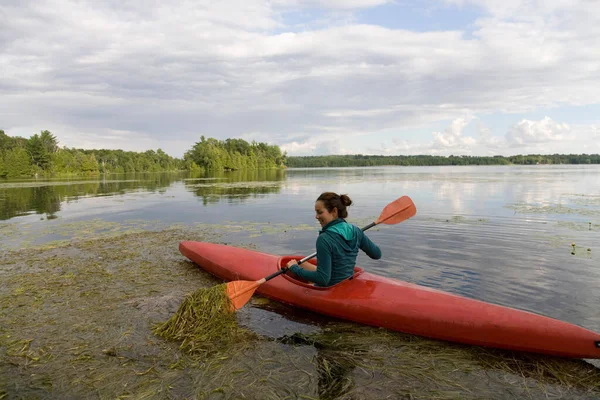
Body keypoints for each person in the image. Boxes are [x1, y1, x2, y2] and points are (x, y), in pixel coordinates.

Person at [286, 192, 382, 287]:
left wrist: (295, 269)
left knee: (295, 267)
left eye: (320, 212)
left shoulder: (324, 239)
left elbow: (323, 279)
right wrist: (359, 236)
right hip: (347, 282)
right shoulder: (356, 231)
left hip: (330, 288)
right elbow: (377, 254)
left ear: (334, 212)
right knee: (302, 263)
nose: (316, 216)